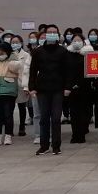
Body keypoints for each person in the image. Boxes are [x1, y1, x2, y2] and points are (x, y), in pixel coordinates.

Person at [28, 24, 70, 155]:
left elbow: (67, 71)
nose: (52, 34)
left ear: (58, 34)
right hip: (42, 89)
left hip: (58, 88)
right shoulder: (38, 51)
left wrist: (67, 87)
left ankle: (56, 145)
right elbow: (33, 71)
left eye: (54, 32)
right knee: (44, 118)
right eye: (49, 32)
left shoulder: (63, 51)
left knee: (56, 118)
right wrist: (32, 87)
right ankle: (44, 145)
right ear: (45, 34)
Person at [0, 42, 22, 146]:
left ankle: (8, 135)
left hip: (9, 92)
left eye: (2, 51)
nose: (0, 53)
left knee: (8, 114)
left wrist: (11, 56)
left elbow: (16, 67)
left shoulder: (12, 61)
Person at [65, 34, 92, 144]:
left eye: (79, 40)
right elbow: (65, 71)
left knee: (83, 112)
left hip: (84, 87)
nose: (77, 42)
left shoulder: (87, 54)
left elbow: (89, 71)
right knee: (73, 113)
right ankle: (74, 134)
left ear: (83, 42)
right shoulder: (67, 54)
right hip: (71, 88)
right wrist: (69, 85)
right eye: (75, 40)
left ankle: (81, 134)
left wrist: (79, 83)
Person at [7, 35, 32, 137]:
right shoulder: (8, 54)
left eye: (17, 42)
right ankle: (10, 129)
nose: (15, 44)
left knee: (22, 107)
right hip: (10, 83)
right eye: (13, 42)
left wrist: (27, 86)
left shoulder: (26, 55)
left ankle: (22, 127)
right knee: (10, 108)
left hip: (21, 83)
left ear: (21, 43)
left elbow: (27, 71)